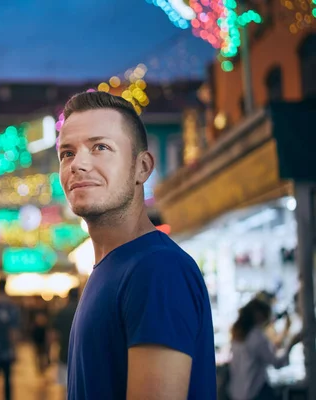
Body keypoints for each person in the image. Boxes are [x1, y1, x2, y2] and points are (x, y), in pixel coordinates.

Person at [58, 91, 216, 399]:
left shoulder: (157, 269)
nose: (78, 164)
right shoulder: (111, 269)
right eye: (67, 153)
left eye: (100, 147)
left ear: (142, 168)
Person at [227, 299, 301, 400]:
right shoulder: (256, 336)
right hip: (253, 392)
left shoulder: (238, 334)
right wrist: (291, 344)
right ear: (259, 315)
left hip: (237, 394)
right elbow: (277, 363)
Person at [50, 287, 79, 398]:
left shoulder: (62, 312)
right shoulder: (84, 310)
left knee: (65, 390)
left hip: (65, 354)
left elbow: (54, 335)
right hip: (80, 356)